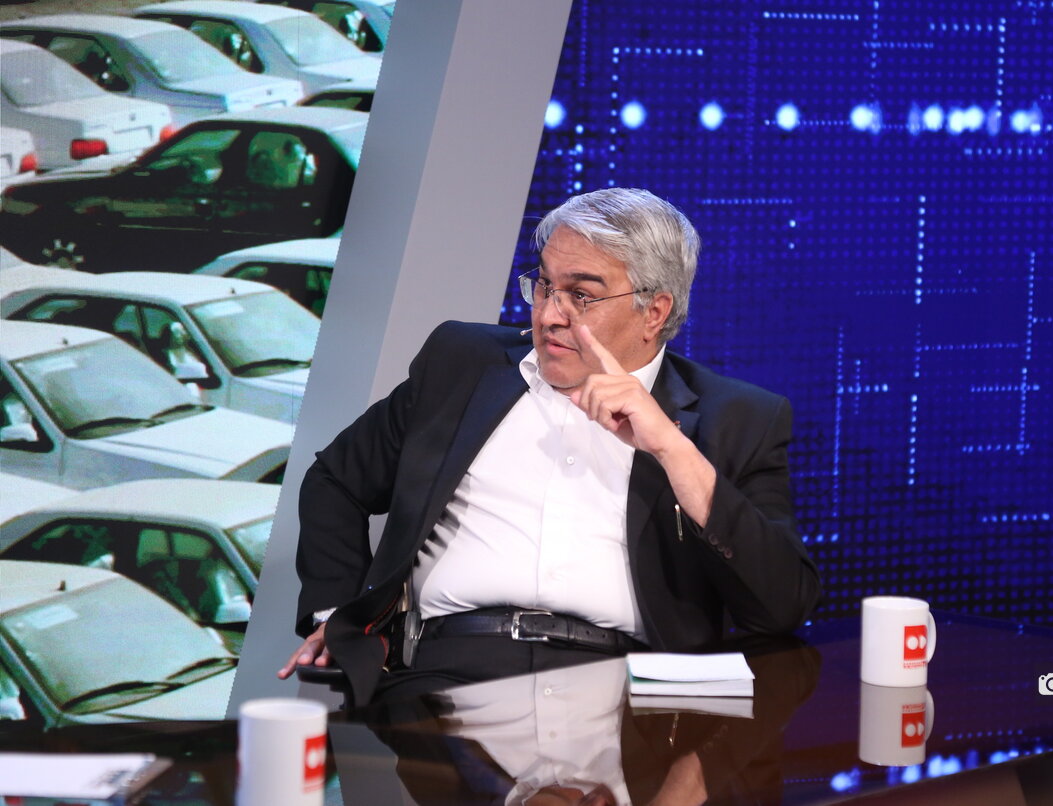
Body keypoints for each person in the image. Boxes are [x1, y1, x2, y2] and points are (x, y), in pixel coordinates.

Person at [279, 188, 821, 706]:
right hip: (446, 675)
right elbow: (336, 481)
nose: (549, 315)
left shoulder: (738, 419)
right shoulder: (462, 365)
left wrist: (671, 449)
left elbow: (781, 606)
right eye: (544, 286)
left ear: (654, 312)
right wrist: (336, 615)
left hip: (632, 693)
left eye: (581, 295)